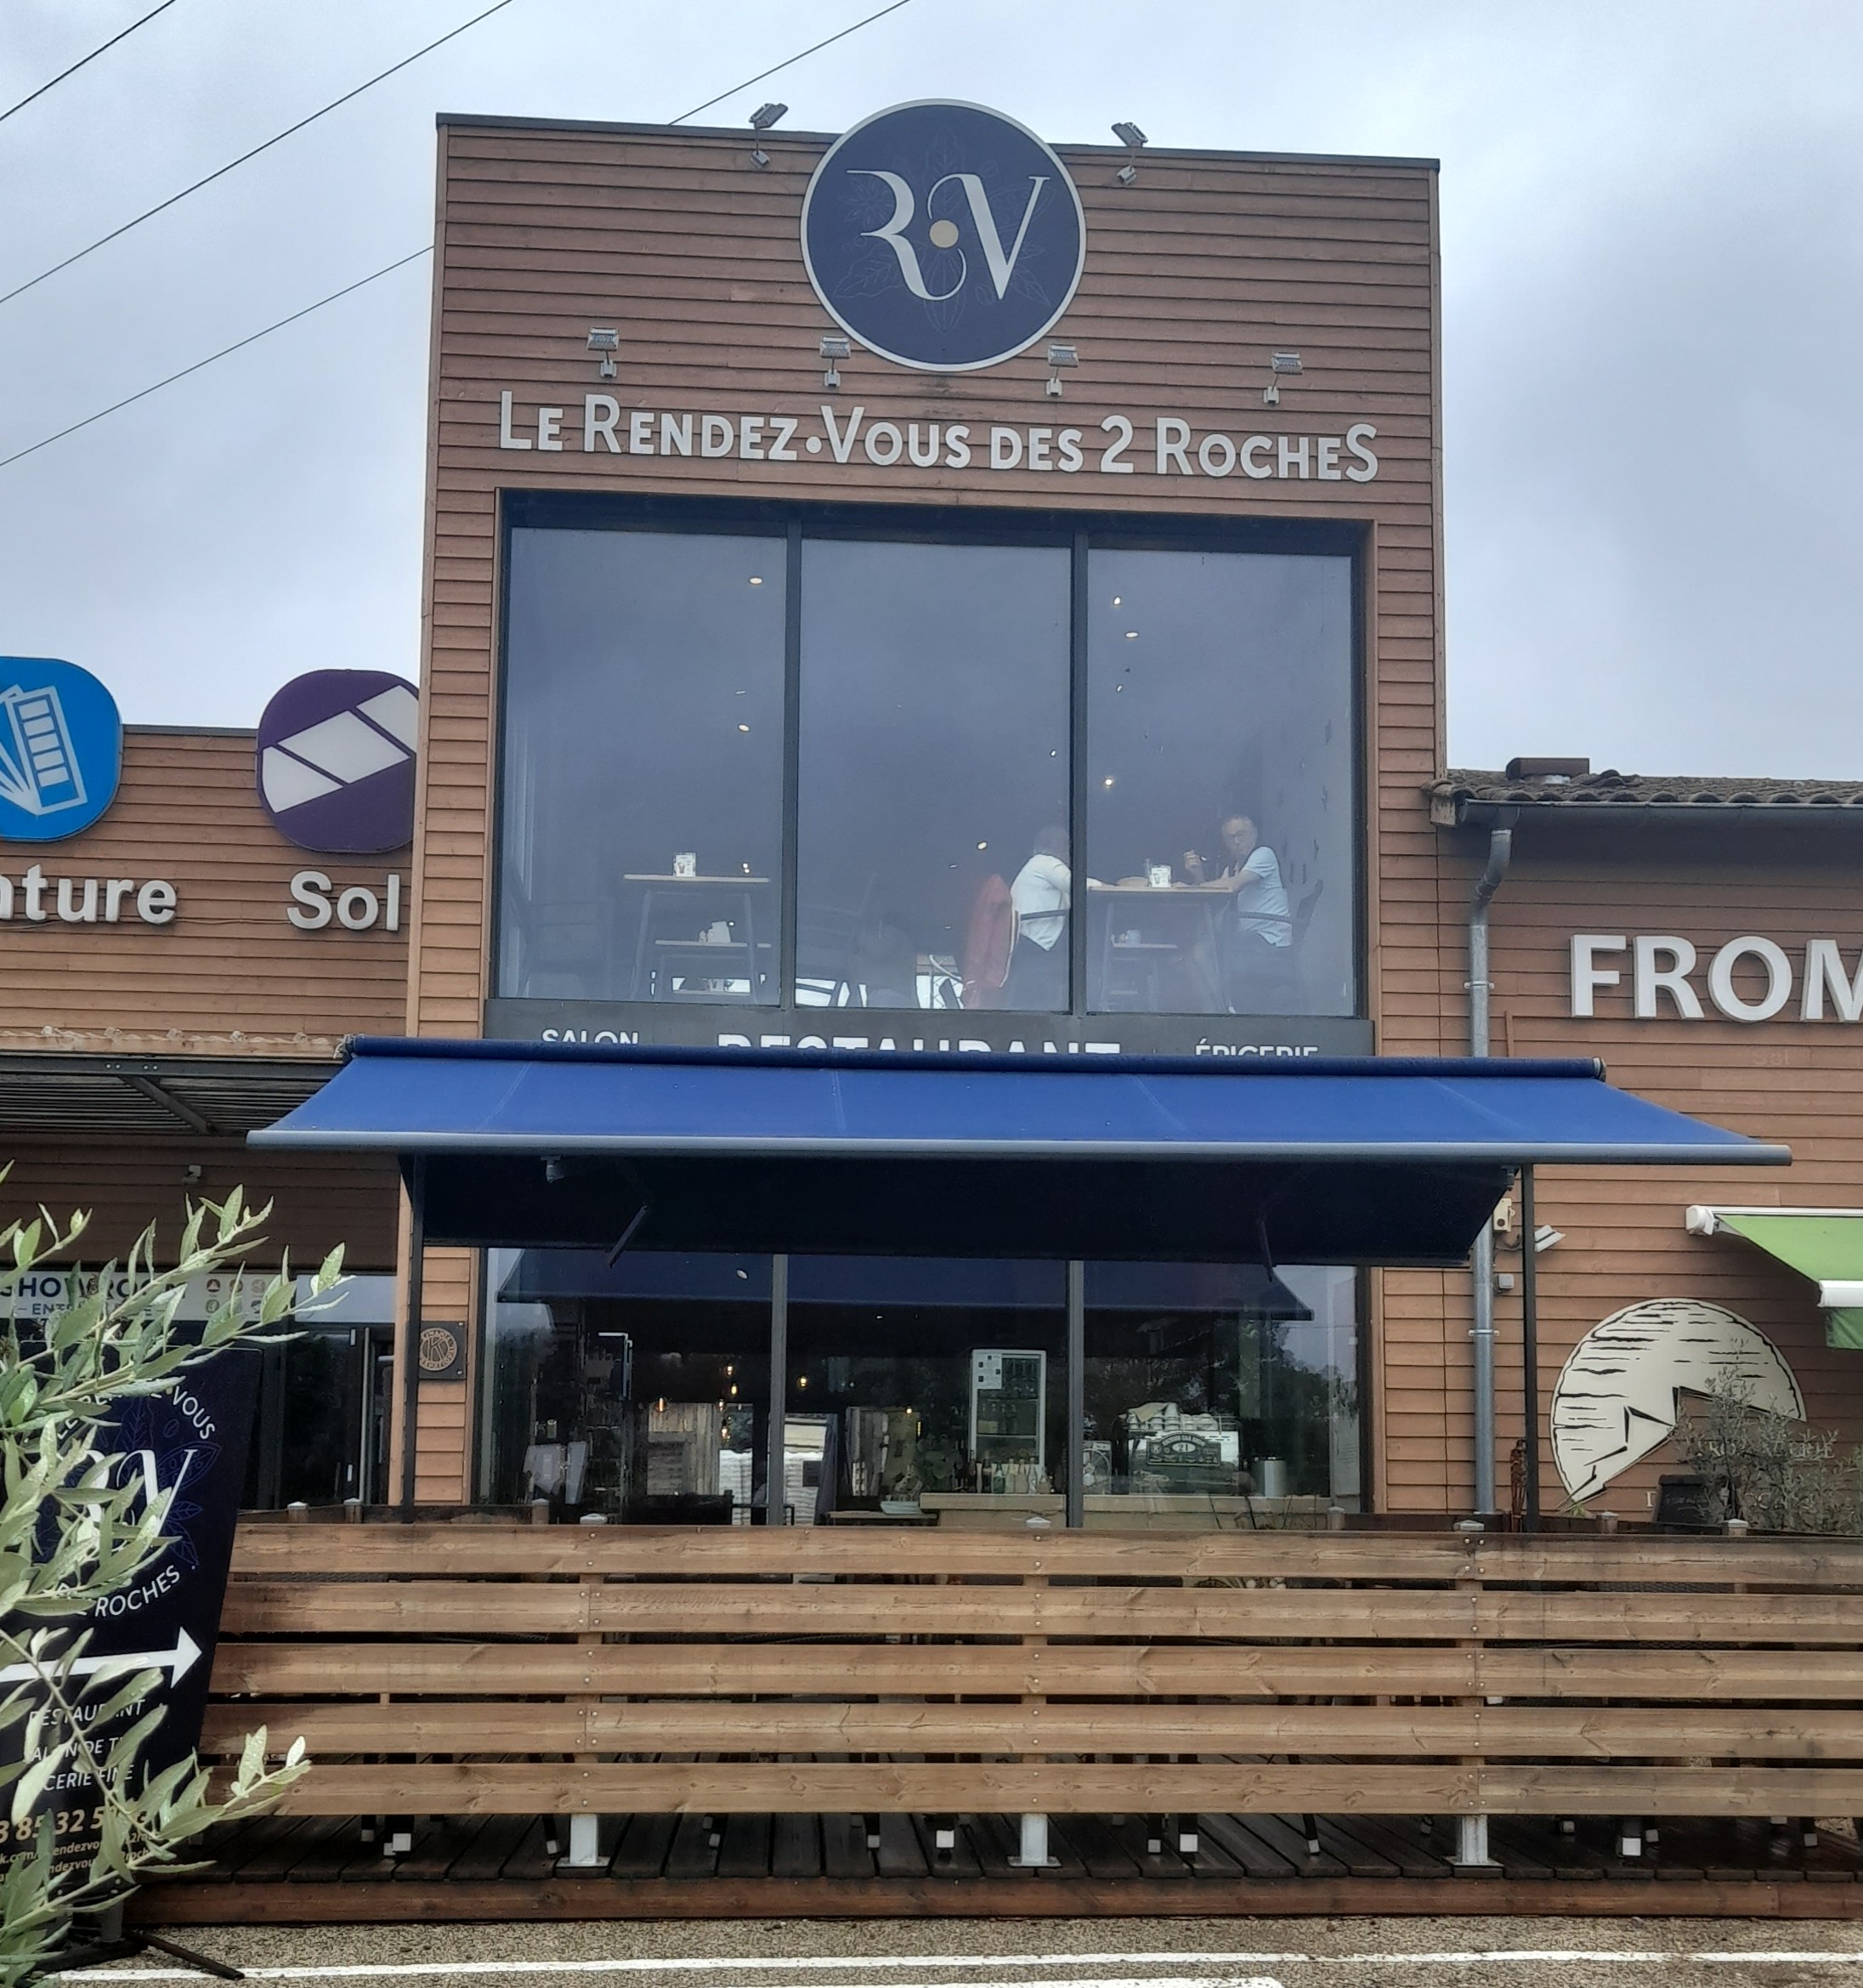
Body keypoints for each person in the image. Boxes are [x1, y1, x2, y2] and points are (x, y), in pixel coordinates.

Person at [1182, 812, 1294, 1008]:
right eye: (1230, 838)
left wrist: (1190, 888)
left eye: (1241, 835)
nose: (1236, 842)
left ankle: (1224, 1010)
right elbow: (1216, 896)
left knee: (1209, 951)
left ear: (1254, 833)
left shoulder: (1264, 854)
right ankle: (1219, 1011)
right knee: (1194, 955)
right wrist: (1197, 875)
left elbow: (1234, 885)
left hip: (1268, 940)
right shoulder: (1233, 868)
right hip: (1249, 940)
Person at [1003, 824, 1071, 1009]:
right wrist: (1106, 887)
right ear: (1056, 846)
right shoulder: (1047, 863)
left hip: (1028, 938)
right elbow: (1074, 884)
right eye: (1066, 846)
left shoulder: (1034, 865)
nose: (1069, 852)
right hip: (1039, 942)